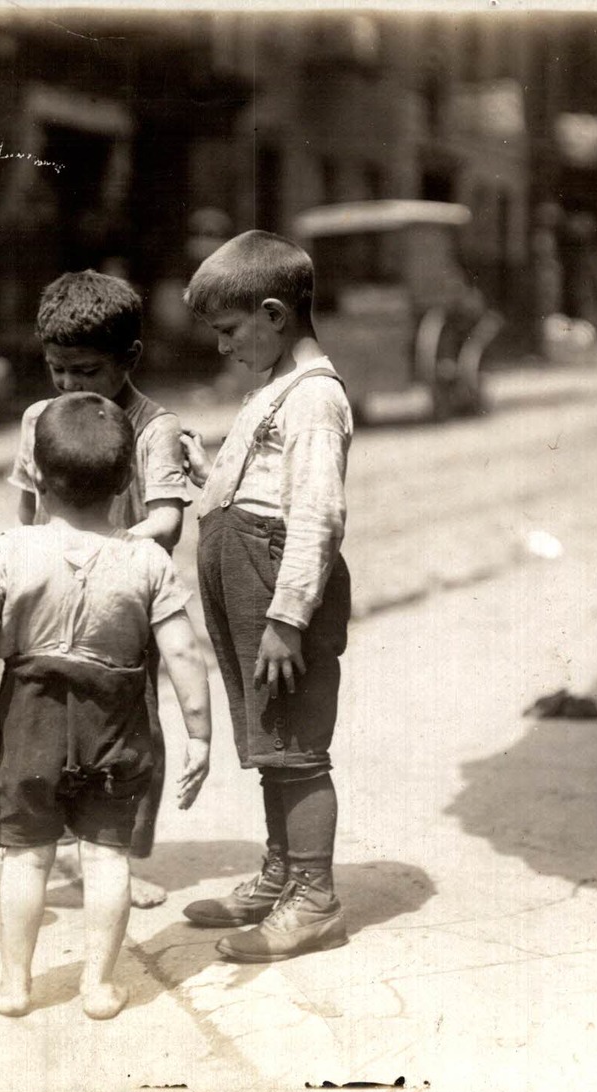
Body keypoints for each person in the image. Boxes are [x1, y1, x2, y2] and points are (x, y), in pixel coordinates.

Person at [0, 392, 212, 1020]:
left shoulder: (10, 551)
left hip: (32, 719)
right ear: (126, 482)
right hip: (116, 719)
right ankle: (98, 986)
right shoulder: (146, 561)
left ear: (35, 476)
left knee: (26, 857)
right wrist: (201, 737)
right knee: (107, 856)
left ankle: (15, 985)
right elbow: (185, 655)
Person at [0, 270, 194, 929]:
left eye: (85, 371)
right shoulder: (41, 418)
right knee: (23, 737)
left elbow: (169, 519)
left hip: (121, 605)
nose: (68, 385)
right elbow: (27, 509)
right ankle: (18, 858)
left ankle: (112, 854)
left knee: (127, 734)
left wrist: (107, 544)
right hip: (48, 599)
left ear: (130, 358)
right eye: (56, 370)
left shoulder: (155, 427)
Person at [178, 230, 353, 963]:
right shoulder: (277, 388)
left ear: (274, 313)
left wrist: (287, 617)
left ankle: (312, 897)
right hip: (246, 573)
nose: (220, 348)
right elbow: (257, 483)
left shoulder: (314, 398)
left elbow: (315, 511)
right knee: (270, 740)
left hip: (276, 587)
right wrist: (206, 471)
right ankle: (281, 873)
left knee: (295, 745)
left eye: (227, 330)